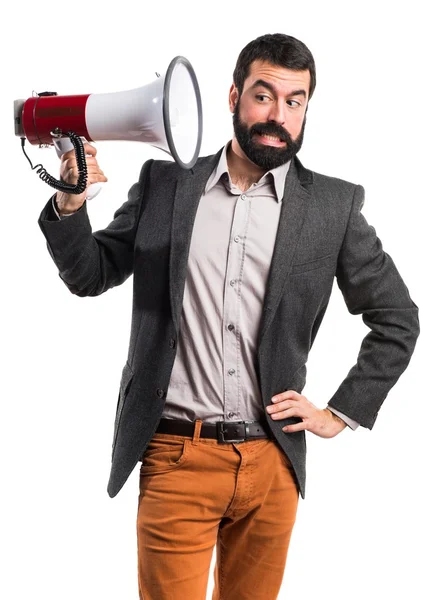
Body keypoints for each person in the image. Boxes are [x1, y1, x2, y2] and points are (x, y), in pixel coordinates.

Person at [38, 33, 420, 600]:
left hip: (272, 464)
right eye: (264, 96)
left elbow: (397, 318)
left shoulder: (333, 207)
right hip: (175, 457)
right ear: (234, 95)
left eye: (295, 102)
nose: (279, 115)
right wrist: (69, 203)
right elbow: (90, 275)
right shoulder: (166, 185)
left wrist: (342, 411)